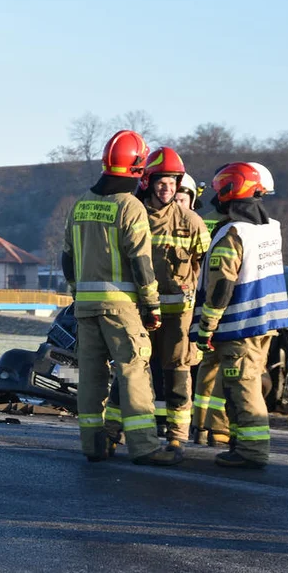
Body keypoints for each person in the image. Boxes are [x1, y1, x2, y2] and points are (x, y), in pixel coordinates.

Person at [62, 130, 182, 466]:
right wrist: (152, 305)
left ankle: (92, 444)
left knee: (91, 376)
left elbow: (67, 257)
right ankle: (145, 447)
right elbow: (141, 262)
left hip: (85, 308)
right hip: (121, 309)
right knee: (133, 371)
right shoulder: (130, 207)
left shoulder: (80, 204)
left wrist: (77, 292)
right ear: (138, 168)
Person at [108, 147, 209, 447]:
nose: (167, 190)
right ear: (148, 183)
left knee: (178, 375)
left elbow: (205, 269)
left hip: (179, 316)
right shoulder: (134, 215)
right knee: (130, 370)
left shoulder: (192, 222)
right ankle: (113, 431)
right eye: (161, 184)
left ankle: (177, 438)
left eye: (172, 184)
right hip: (139, 312)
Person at [192, 162, 288, 468]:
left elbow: (222, 287)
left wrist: (206, 327)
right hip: (265, 323)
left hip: (239, 327)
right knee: (247, 383)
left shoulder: (233, 233)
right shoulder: (270, 228)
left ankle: (251, 449)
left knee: (242, 388)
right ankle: (239, 440)